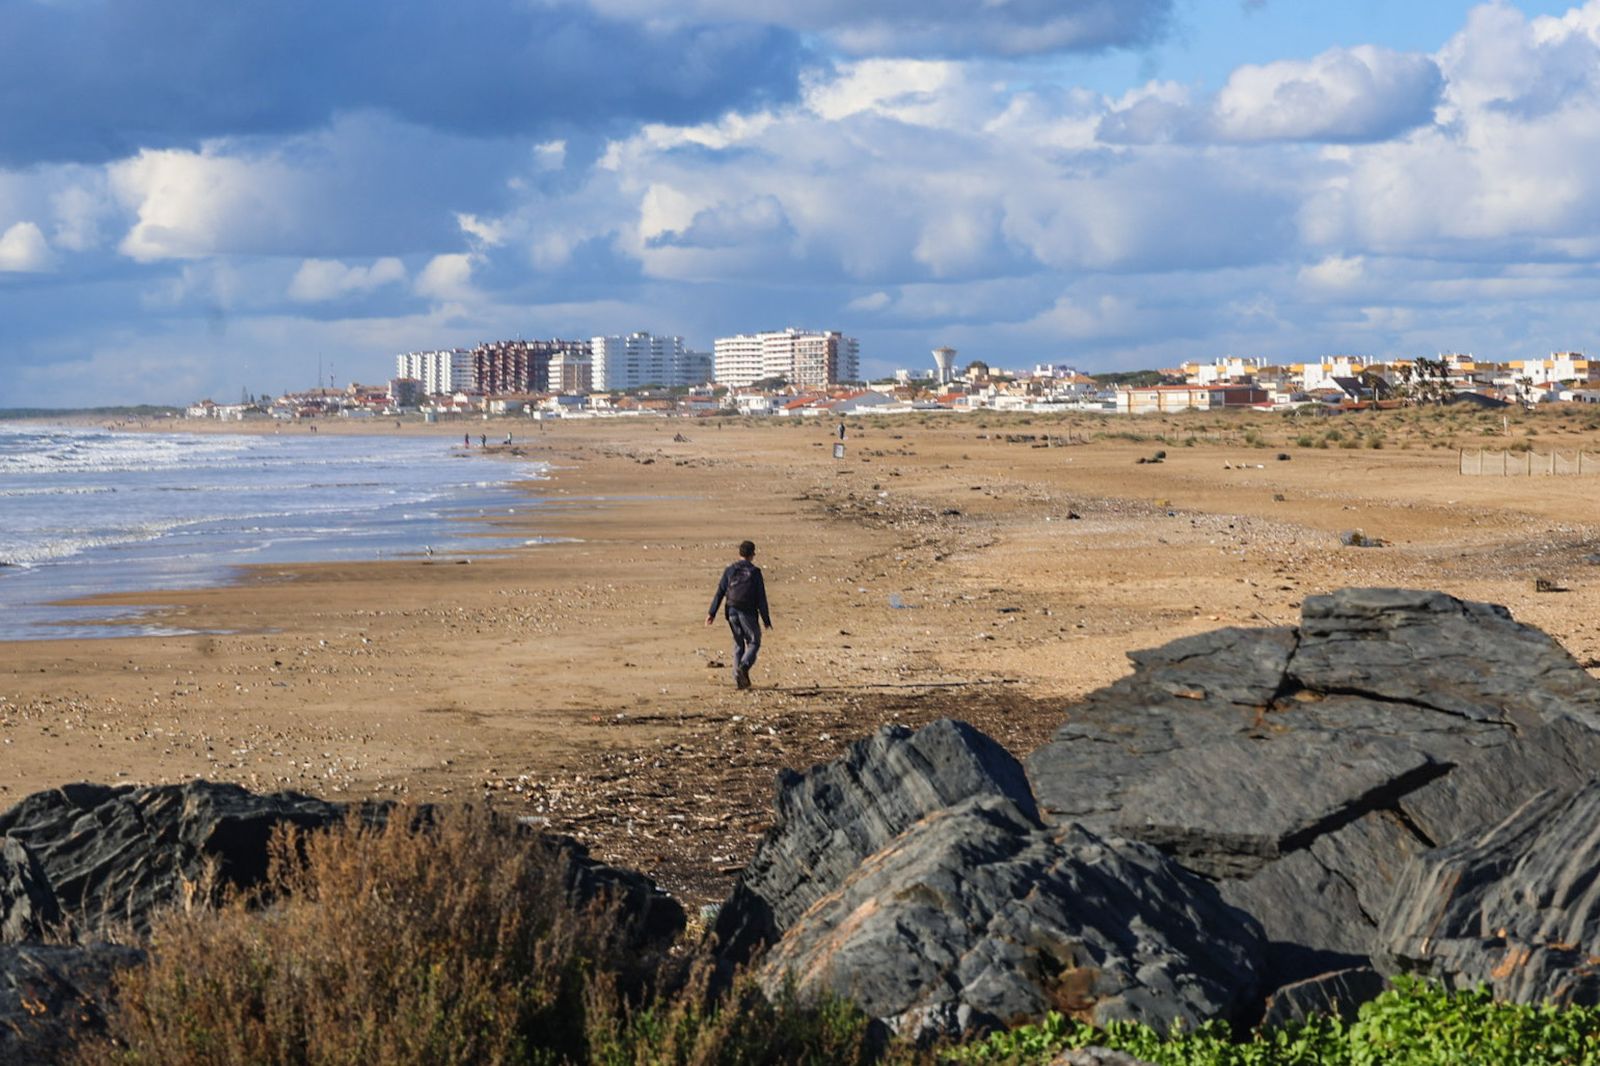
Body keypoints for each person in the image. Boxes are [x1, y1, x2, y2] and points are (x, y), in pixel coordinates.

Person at [706, 540, 771, 689]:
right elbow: (761, 598)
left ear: (739, 553)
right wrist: (766, 619)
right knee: (754, 642)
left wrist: (712, 613)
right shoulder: (755, 572)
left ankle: (738, 678)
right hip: (747, 611)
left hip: (731, 611)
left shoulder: (730, 570)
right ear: (752, 554)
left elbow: (720, 592)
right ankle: (744, 667)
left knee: (738, 644)